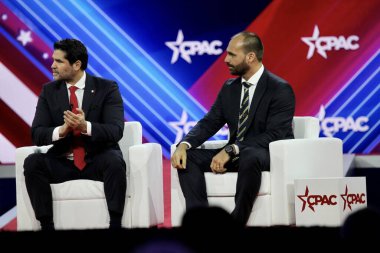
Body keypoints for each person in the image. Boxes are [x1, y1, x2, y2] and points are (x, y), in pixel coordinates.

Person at [171, 31, 295, 226]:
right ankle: (200, 224)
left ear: (250, 57)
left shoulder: (279, 89)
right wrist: (184, 144)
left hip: (266, 153)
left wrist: (231, 149)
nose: (226, 60)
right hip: (237, 154)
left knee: (251, 155)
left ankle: (236, 225)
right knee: (189, 158)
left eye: (232, 55)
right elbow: (210, 122)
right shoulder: (230, 87)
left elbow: (275, 134)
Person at [24, 38, 126, 230]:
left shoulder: (107, 88)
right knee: (33, 162)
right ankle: (46, 226)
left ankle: (115, 224)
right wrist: (62, 130)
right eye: (54, 60)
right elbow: (37, 134)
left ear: (77, 64)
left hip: (97, 160)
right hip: (63, 162)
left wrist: (84, 125)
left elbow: (116, 130)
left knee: (114, 160)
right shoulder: (49, 90)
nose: (52, 65)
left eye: (59, 61)